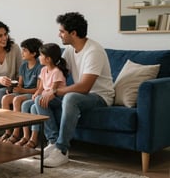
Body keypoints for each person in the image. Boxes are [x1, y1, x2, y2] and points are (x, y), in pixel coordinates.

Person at [36, 12, 115, 168]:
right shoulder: (70, 50)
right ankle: (53, 142)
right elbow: (60, 73)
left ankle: (62, 150)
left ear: (73, 33)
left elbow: (85, 87)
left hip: (100, 97)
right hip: (81, 96)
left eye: (62, 32)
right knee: (40, 99)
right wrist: (49, 90)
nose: (59, 35)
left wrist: (56, 92)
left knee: (71, 97)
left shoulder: (94, 51)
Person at [20, 43, 68, 149]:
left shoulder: (56, 72)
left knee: (37, 101)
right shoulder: (43, 70)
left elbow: (53, 91)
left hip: (57, 98)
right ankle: (30, 137)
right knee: (27, 105)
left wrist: (39, 97)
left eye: (41, 55)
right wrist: (36, 94)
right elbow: (41, 88)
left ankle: (53, 139)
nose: (39, 57)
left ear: (48, 59)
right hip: (45, 96)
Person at [0, 38, 43, 144]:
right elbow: (20, 84)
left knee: (17, 99)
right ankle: (8, 131)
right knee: (5, 98)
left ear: (34, 53)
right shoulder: (23, 66)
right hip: (23, 91)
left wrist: (22, 90)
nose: (22, 52)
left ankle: (16, 133)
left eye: (25, 50)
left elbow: (38, 89)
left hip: (32, 93)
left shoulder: (40, 67)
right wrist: (12, 89)